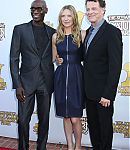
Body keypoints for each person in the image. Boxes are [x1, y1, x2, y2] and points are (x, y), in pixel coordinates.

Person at [10, 0, 55, 149]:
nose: (35, 11)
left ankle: (41, 147)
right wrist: (17, 85)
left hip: (46, 82)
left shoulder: (52, 32)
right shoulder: (20, 30)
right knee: (23, 120)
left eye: (39, 9)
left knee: (44, 120)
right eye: (33, 9)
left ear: (45, 10)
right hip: (26, 83)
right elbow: (14, 58)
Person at [83, 0, 123, 149]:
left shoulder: (112, 32)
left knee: (105, 131)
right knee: (94, 131)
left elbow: (115, 66)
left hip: (103, 95)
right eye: (88, 9)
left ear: (103, 10)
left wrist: (108, 94)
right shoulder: (88, 32)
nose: (90, 12)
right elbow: (86, 58)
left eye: (94, 8)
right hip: (89, 93)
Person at [52, 5, 85, 150]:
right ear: (60, 18)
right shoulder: (55, 36)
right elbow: (54, 57)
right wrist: (57, 60)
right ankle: (70, 145)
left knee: (75, 117)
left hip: (77, 76)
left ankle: (78, 145)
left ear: (74, 18)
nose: (66, 19)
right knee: (66, 116)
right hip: (61, 77)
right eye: (63, 16)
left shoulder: (82, 34)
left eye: (69, 15)